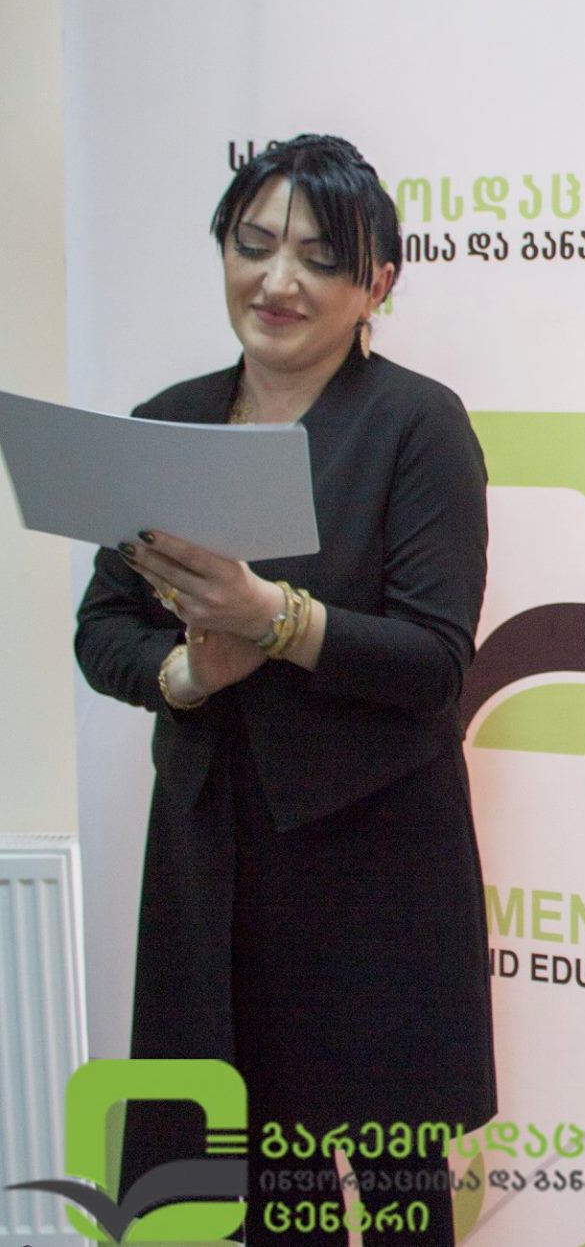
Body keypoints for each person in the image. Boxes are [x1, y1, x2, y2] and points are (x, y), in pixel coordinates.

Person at [74, 134, 495, 1245]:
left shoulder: (416, 424)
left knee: (400, 1201)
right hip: (212, 863)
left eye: (319, 257)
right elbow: (101, 630)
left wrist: (275, 619)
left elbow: (435, 661)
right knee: (242, 1195)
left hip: (376, 873)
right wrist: (183, 673)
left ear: (378, 282)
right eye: (253, 245)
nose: (277, 280)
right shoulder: (168, 420)